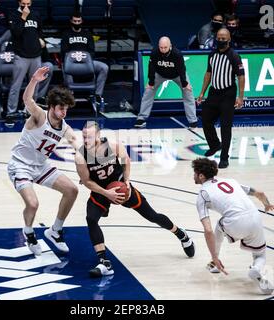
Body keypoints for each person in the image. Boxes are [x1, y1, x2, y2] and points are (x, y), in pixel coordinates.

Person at [75, 120, 195, 277]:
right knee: (91, 219)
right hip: (101, 191)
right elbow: (87, 182)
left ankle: (181, 234)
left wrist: (127, 180)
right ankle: (104, 262)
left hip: (121, 188)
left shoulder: (112, 145)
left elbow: (126, 161)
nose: (86, 140)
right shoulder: (80, 156)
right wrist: (107, 193)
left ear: (98, 135)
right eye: (84, 137)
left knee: (152, 216)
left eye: (89, 137)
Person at [7, 66, 79, 255]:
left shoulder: (64, 128)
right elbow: (27, 100)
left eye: (66, 109)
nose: (64, 112)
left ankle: (55, 230)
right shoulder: (39, 116)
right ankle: (29, 232)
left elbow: (76, 144)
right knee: (33, 204)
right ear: (53, 107)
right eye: (61, 108)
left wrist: (95, 157)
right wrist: (34, 80)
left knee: (72, 190)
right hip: (20, 165)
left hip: (40, 166)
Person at [192, 158, 274, 295]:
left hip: (236, 222)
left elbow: (208, 230)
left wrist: (214, 255)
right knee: (260, 254)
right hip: (255, 216)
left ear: (201, 175)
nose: (193, 176)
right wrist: (267, 204)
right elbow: (259, 193)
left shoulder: (202, 194)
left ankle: (215, 262)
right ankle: (257, 269)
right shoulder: (230, 181)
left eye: (194, 173)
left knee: (219, 225)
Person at [197, 28, 245, 169]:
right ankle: (215, 145)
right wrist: (202, 93)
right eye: (219, 37)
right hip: (213, 93)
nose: (221, 40)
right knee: (206, 120)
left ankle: (224, 157)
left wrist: (240, 97)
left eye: (224, 38)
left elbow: (241, 76)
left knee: (225, 127)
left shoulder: (234, 56)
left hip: (228, 94)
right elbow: (208, 73)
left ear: (229, 39)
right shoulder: (212, 54)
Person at [134, 36, 198, 129]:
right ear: (158, 46)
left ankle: (193, 121)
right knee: (148, 91)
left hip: (177, 75)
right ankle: (141, 118)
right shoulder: (155, 52)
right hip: (160, 74)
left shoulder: (177, 54)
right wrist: (151, 82)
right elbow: (151, 67)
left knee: (188, 92)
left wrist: (185, 83)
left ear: (170, 46)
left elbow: (182, 69)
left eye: (165, 47)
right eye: (161, 47)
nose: (163, 50)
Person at [6, 0, 43, 121]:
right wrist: (23, 17)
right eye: (23, 3)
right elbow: (16, 32)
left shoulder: (36, 14)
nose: (26, 6)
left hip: (36, 55)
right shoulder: (13, 15)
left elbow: (39, 30)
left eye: (28, 3)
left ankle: (30, 111)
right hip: (21, 56)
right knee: (16, 86)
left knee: (34, 85)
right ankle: (11, 112)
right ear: (19, 2)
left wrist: (41, 39)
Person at [60, 11, 109, 103]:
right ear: (71, 21)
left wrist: (84, 59)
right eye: (75, 21)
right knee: (65, 67)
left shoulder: (87, 34)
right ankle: (70, 95)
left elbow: (92, 51)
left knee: (104, 67)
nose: (77, 23)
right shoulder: (66, 34)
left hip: (86, 62)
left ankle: (98, 95)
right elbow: (64, 52)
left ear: (82, 21)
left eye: (79, 21)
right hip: (71, 63)